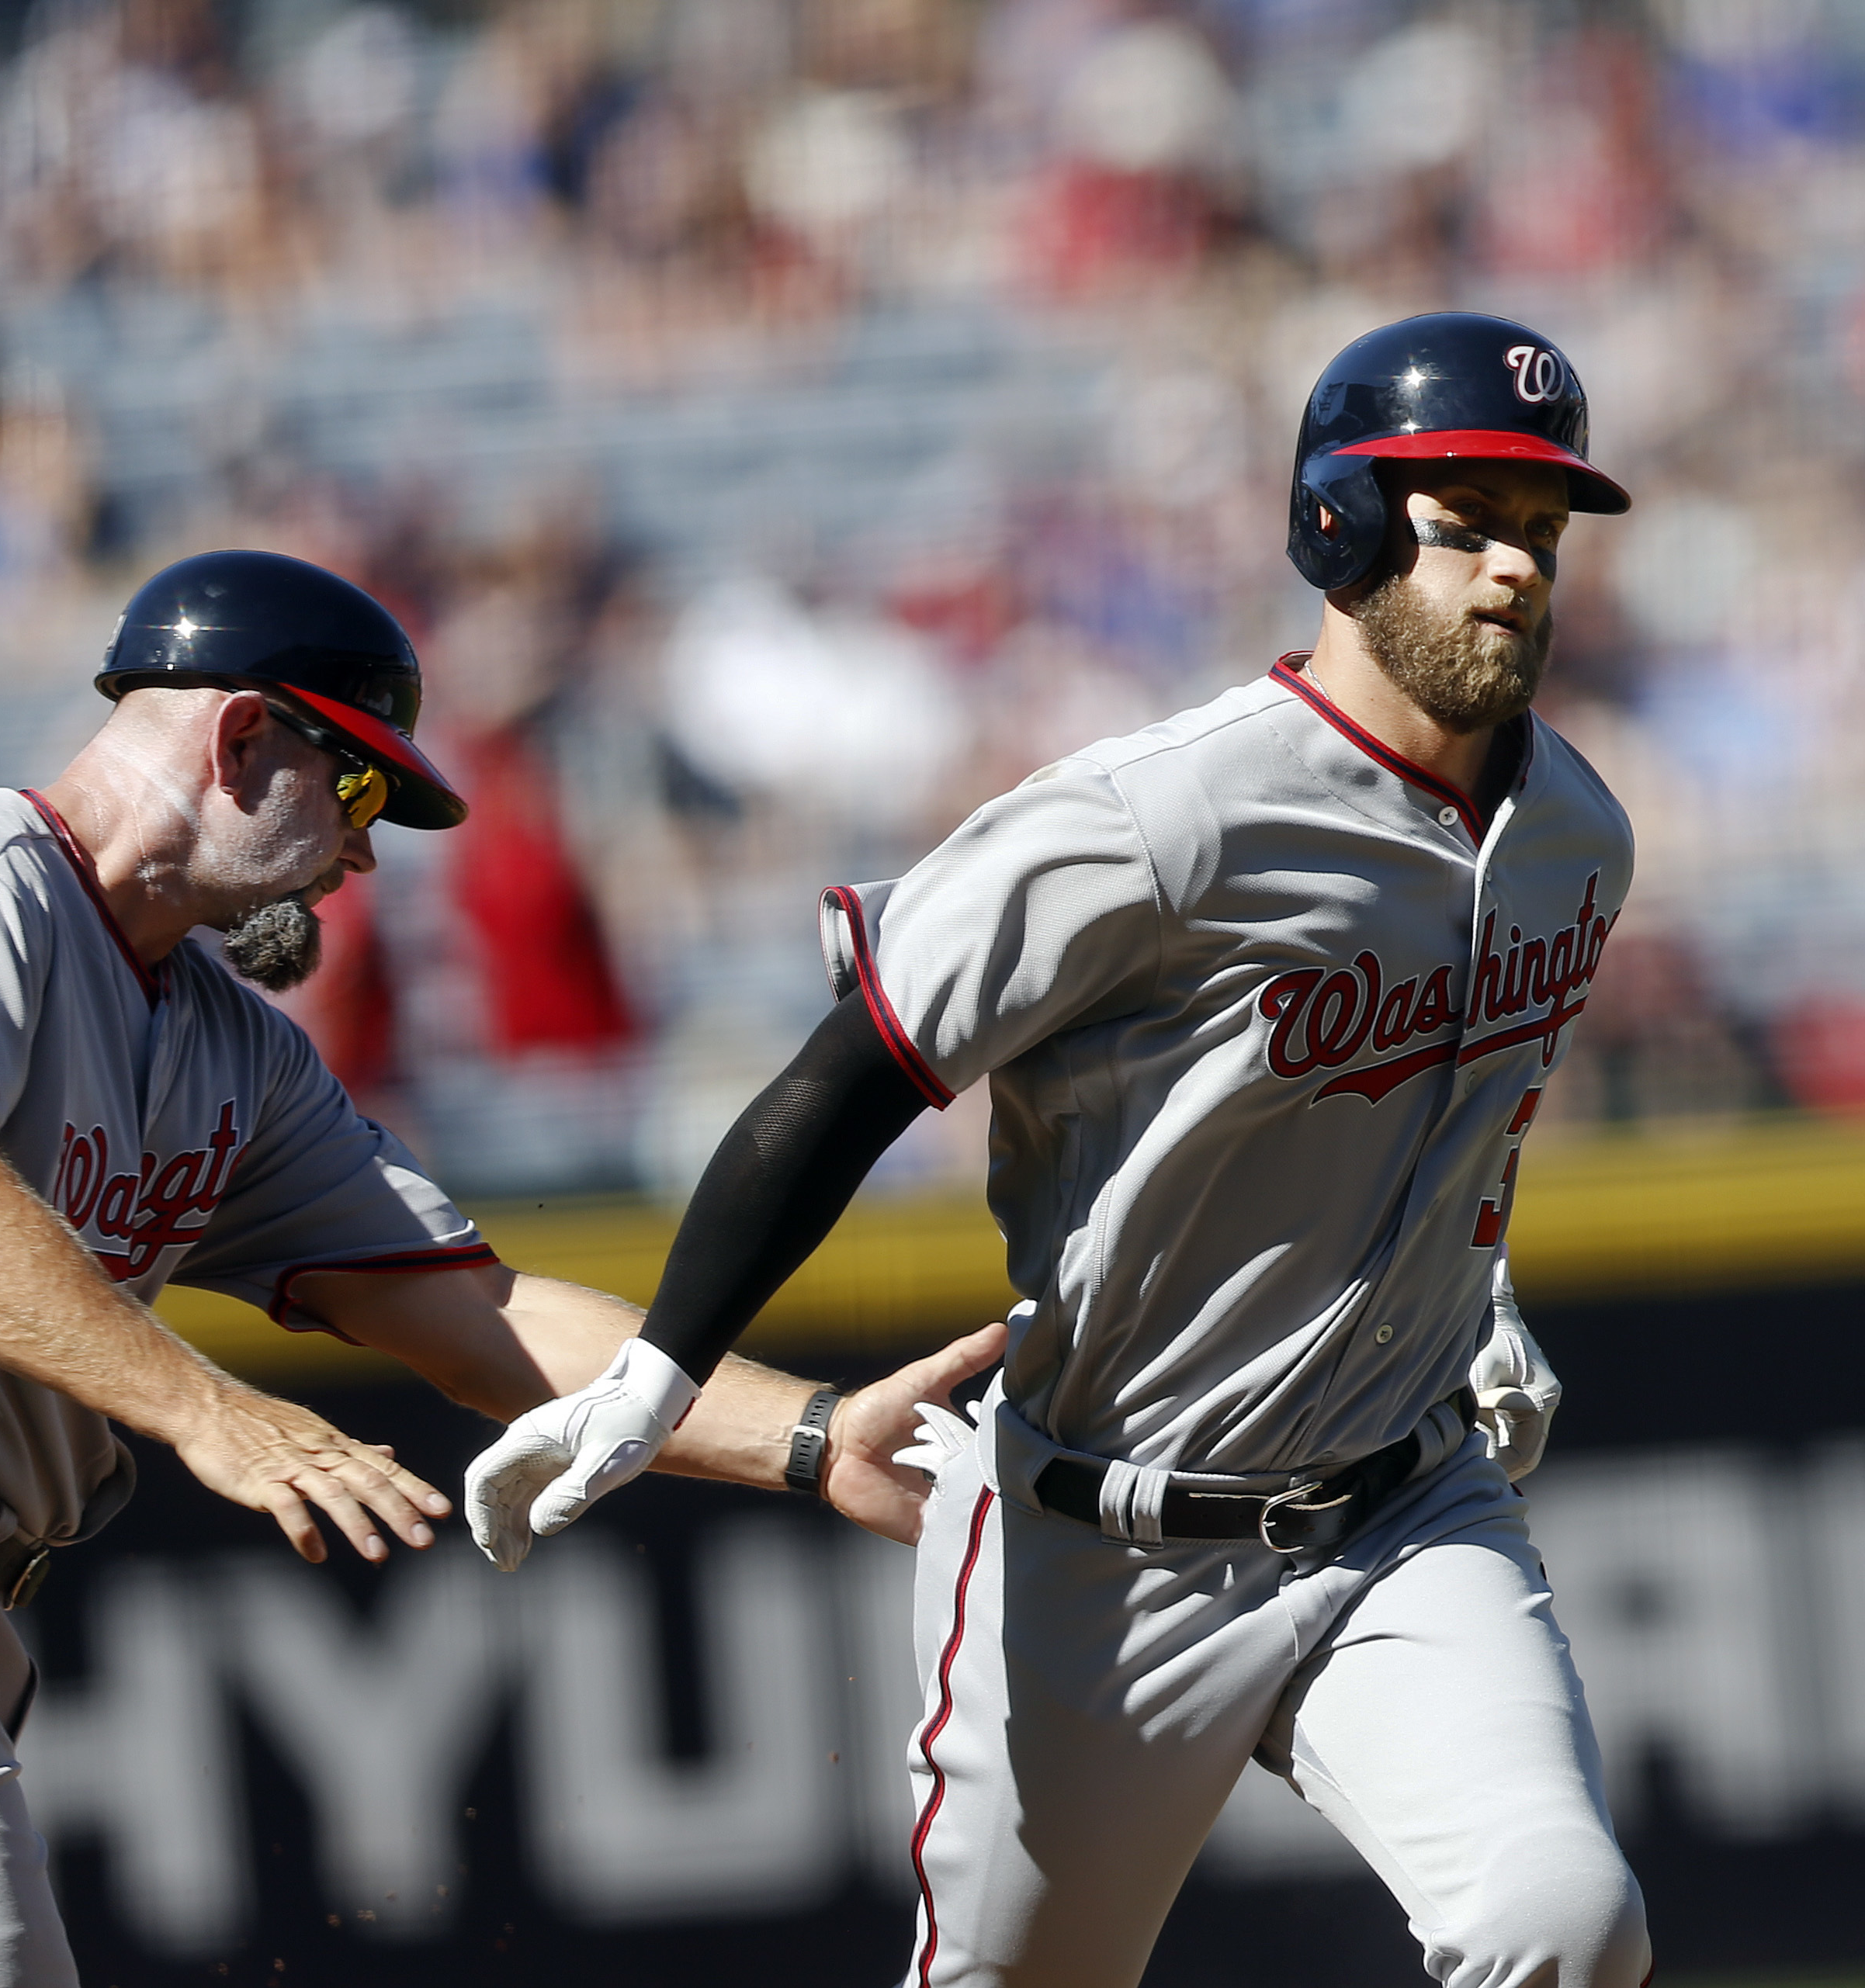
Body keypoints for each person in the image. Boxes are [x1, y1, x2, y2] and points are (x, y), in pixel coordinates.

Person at [467, 313, 1655, 1988]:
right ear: (1342, 525)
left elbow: (1450, 1105)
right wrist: (663, 1371)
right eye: (1462, 521)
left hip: (1407, 1513)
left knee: (1566, 1927)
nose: (1516, 570)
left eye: (1539, 530)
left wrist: (1478, 1278)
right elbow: (862, 1070)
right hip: (1102, 1546)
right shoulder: (1159, 817)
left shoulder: (1577, 834)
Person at [0, 548, 1000, 1988]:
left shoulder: (234, 1050)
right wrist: (207, 1407)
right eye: (358, 789)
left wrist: (801, 1437)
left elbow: (478, 1315)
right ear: (239, 738)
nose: (365, 854)